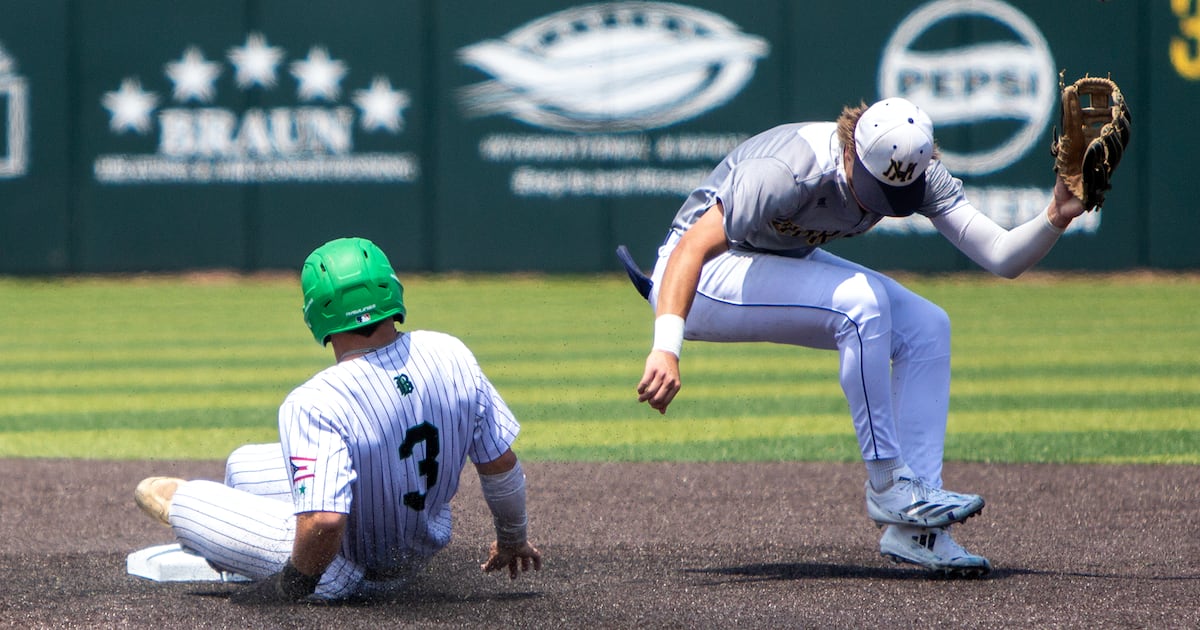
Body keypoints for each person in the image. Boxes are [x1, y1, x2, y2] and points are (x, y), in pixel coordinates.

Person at [628, 97, 1090, 577]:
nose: (881, 203)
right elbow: (691, 248)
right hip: (697, 279)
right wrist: (666, 346)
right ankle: (888, 483)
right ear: (851, 149)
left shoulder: (916, 170)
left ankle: (919, 533)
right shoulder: (786, 171)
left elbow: (1001, 256)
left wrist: (1055, 215)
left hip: (777, 259)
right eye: (875, 186)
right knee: (861, 303)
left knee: (927, 327)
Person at [134, 236, 541, 603]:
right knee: (241, 467)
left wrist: (292, 584)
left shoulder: (316, 400)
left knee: (183, 500)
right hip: (417, 549)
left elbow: (326, 522)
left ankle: (235, 541)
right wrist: (511, 541)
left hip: (344, 572)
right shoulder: (451, 353)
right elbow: (500, 465)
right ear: (392, 291)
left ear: (316, 313)